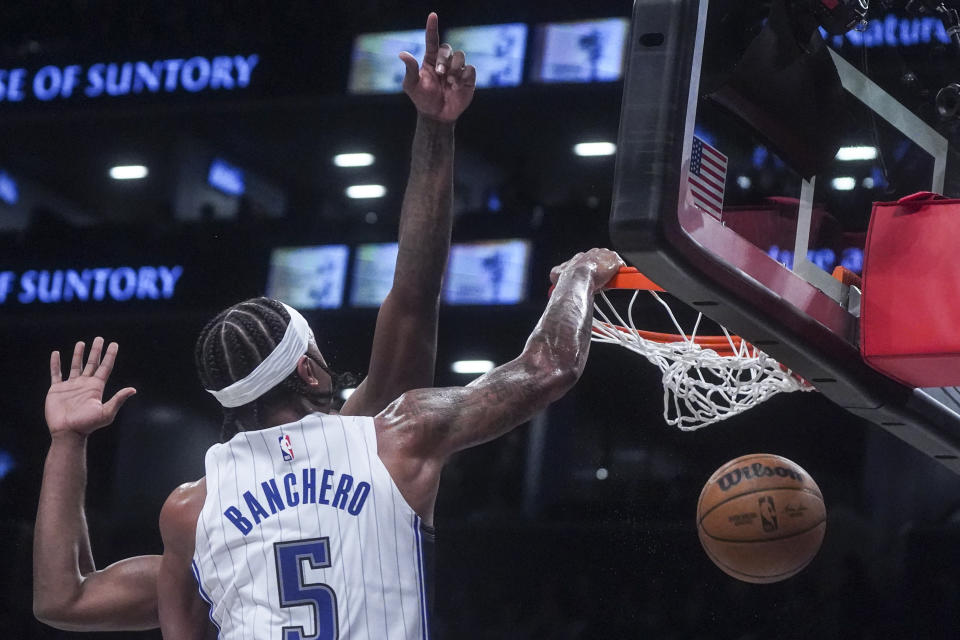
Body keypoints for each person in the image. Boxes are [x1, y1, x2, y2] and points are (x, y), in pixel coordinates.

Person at [33, 12, 474, 632]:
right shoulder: (365, 443)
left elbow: (63, 600)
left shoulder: (202, 518)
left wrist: (66, 443)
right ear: (307, 366)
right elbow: (414, 295)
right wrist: (435, 130)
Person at [157, 247, 624, 638]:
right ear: (306, 370)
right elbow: (549, 368)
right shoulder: (398, 436)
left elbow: (94, 603)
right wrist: (579, 275)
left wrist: (77, 439)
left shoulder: (188, 508)